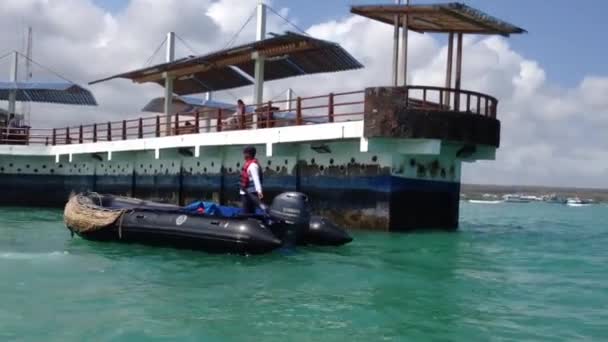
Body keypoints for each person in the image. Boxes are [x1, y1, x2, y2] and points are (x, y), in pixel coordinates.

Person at [240, 146, 263, 214]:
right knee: (247, 212)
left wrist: (259, 191)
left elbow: (256, 179)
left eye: (245, 153)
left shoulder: (253, 166)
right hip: (245, 192)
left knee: (248, 213)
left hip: (250, 194)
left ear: (248, 154)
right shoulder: (248, 164)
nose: (243, 155)